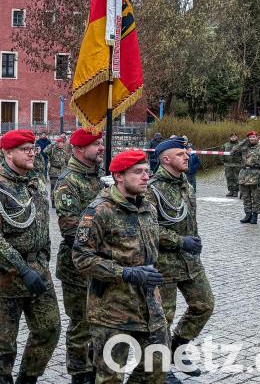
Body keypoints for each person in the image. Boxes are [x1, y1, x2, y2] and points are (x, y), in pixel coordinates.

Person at [73, 150, 168, 384]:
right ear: (118, 176)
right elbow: (81, 257)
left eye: (147, 171)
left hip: (150, 306)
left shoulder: (148, 208)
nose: (145, 177)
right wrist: (125, 273)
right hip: (112, 309)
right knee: (110, 377)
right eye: (138, 172)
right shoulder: (99, 211)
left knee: (157, 365)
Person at [0, 129, 61, 384]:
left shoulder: (35, 180)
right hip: (2, 277)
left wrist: (43, 258)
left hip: (37, 270)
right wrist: (22, 269)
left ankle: (28, 378)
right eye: (25, 149)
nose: (31, 153)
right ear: (8, 153)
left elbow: (42, 223)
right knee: (3, 344)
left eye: (32, 148)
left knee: (49, 329)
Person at [148, 138, 214, 381]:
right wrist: (179, 241)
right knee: (162, 318)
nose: (187, 156)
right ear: (165, 159)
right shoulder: (151, 188)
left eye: (186, 152)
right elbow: (148, 227)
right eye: (180, 154)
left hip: (190, 261)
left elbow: (188, 218)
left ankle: (178, 346)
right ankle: (160, 369)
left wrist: (193, 239)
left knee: (204, 304)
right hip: (163, 264)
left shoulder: (185, 182)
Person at [52, 128, 104, 384]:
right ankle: (79, 374)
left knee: (99, 322)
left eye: (101, 143)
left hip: (101, 263)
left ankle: (94, 369)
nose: (101, 147)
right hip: (77, 266)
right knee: (81, 324)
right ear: (80, 149)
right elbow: (71, 229)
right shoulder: (68, 181)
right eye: (96, 144)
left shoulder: (99, 177)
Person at [231, 131, 260, 224]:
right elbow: (233, 152)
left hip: (256, 174)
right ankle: (248, 214)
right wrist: (243, 142)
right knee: (246, 196)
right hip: (244, 174)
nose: (252, 138)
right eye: (250, 137)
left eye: (253, 137)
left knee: (255, 197)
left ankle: (255, 215)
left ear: (257, 138)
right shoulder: (244, 148)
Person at [44, 135, 71, 206]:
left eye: (62, 143)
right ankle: (53, 202)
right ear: (57, 143)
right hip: (54, 172)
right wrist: (52, 144)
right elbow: (45, 151)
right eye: (60, 143)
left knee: (61, 188)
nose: (61, 144)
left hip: (62, 172)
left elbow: (67, 162)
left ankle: (59, 202)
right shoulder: (53, 150)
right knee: (54, 188)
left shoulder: (63, 152)